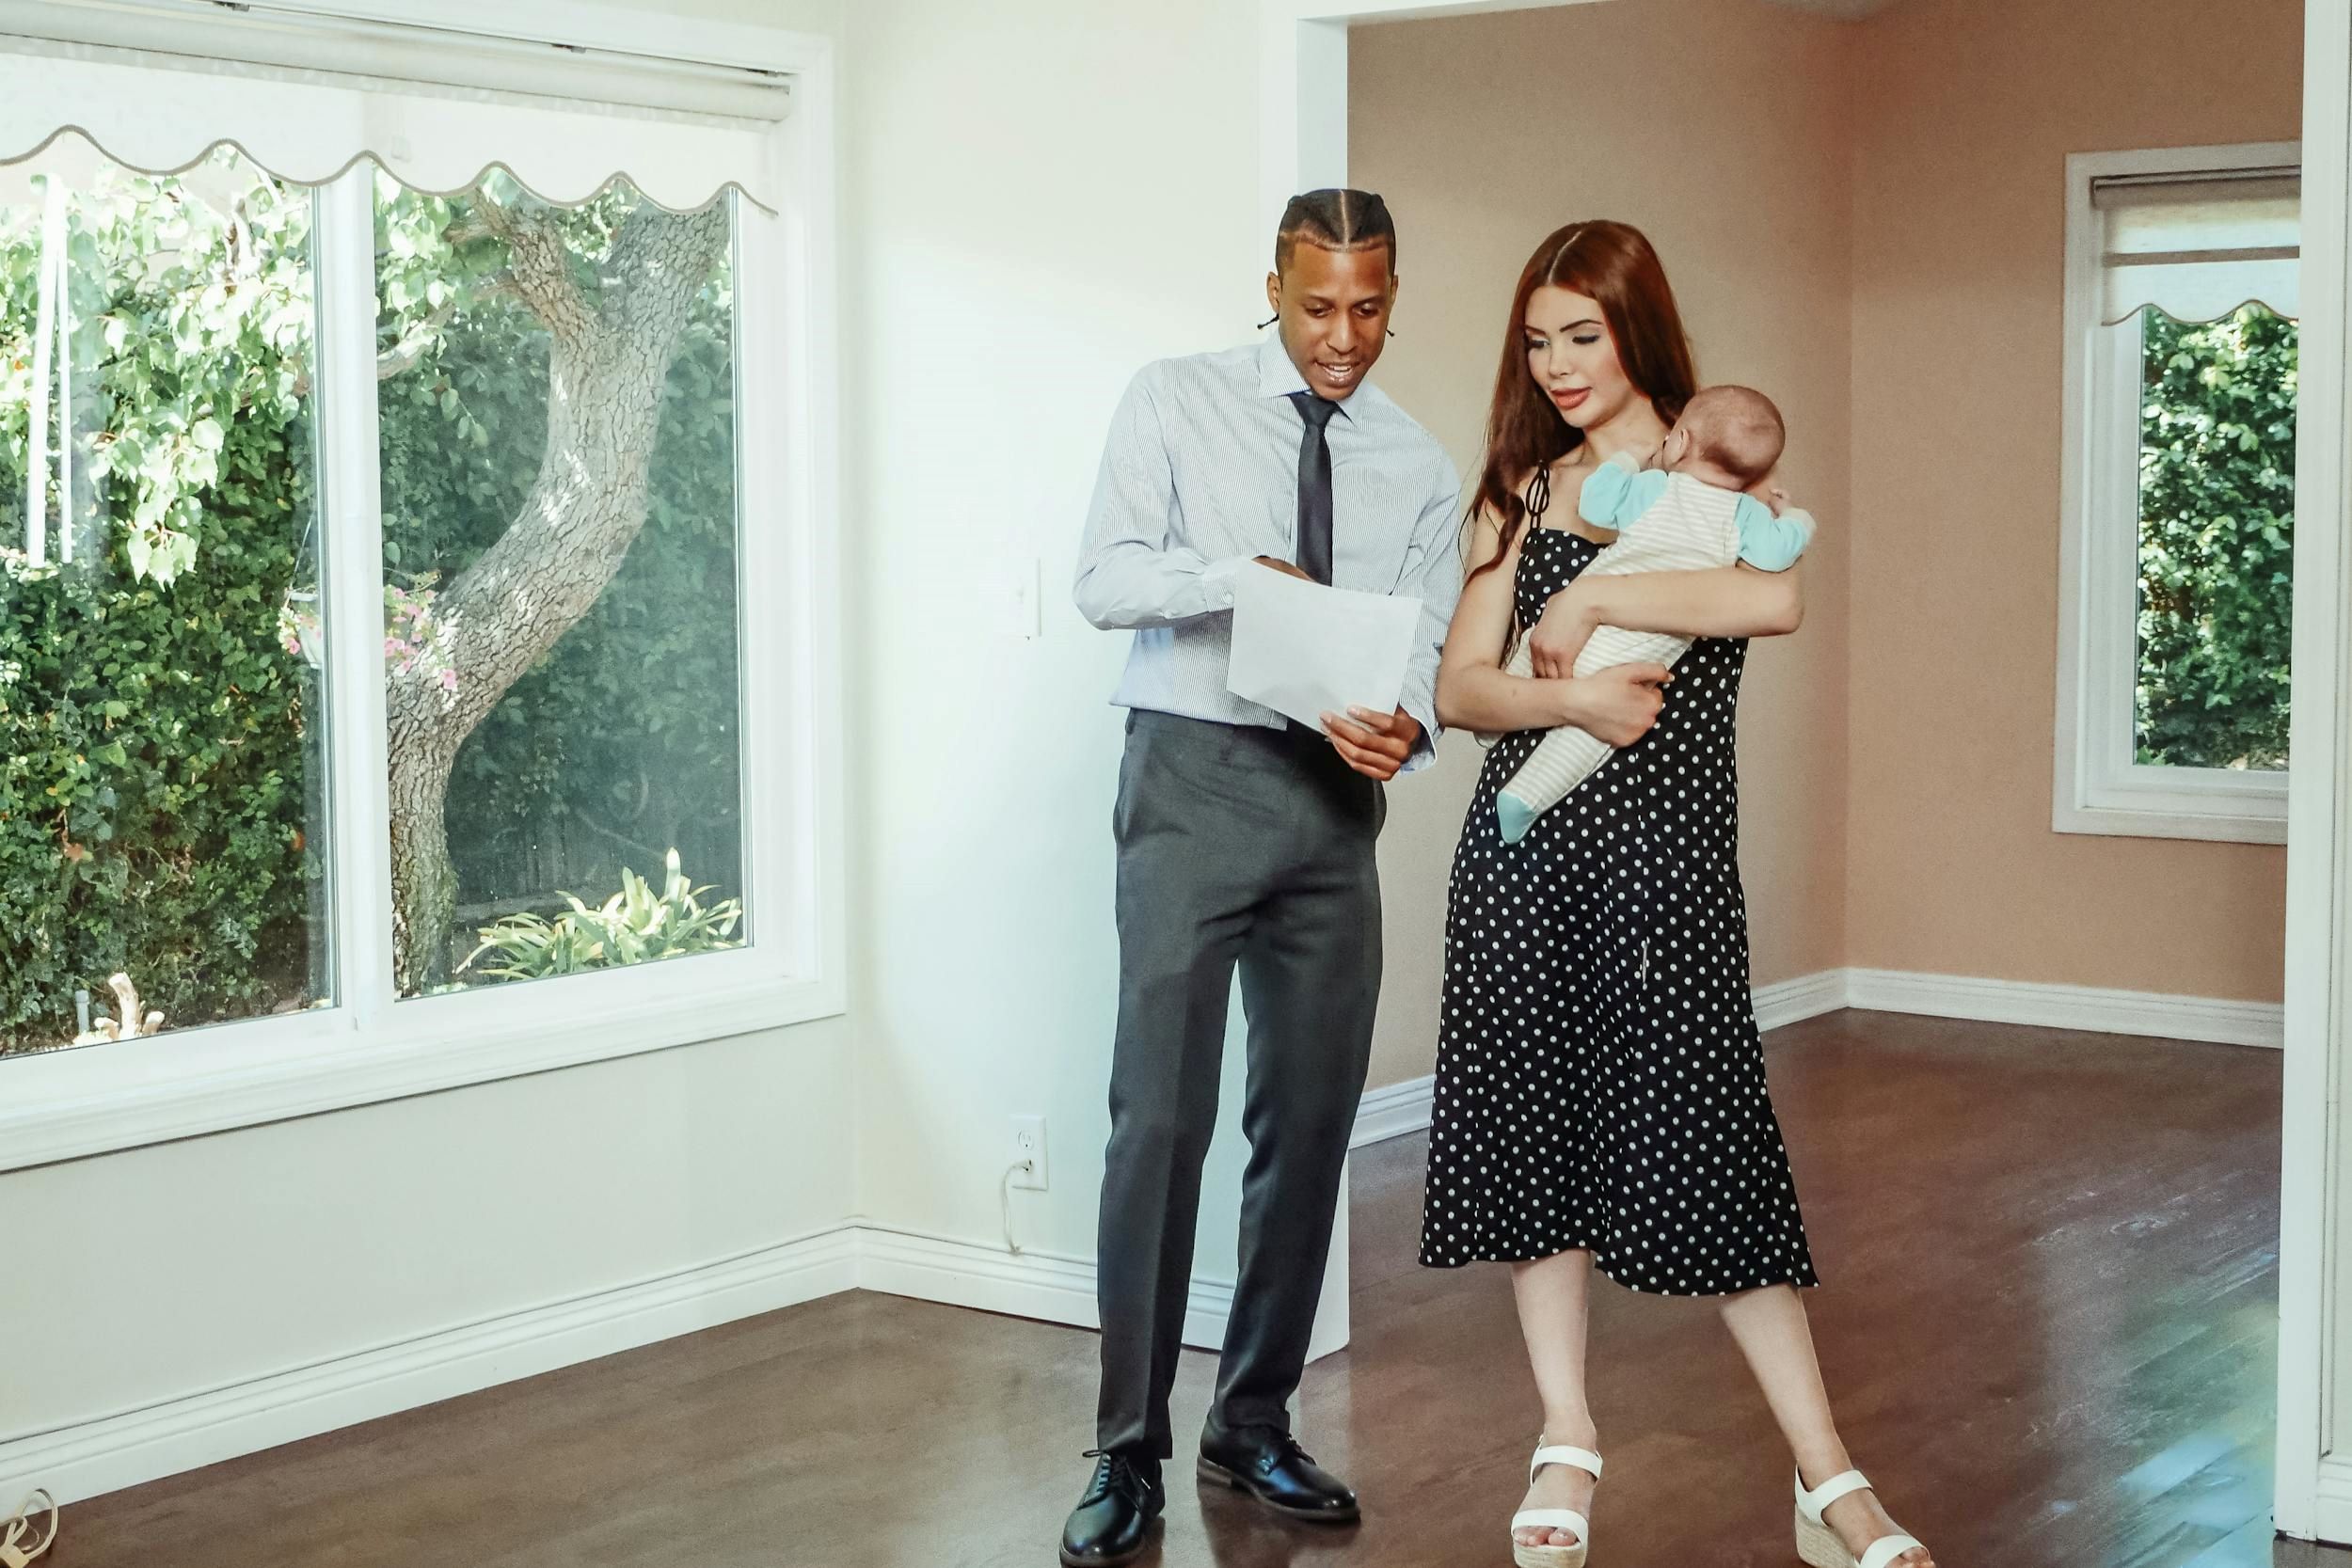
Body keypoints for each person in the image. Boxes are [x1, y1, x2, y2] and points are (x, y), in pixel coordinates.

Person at [1418, 219, 1935, 1568]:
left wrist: (1590, 601)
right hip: (1524, 861)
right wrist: (1571, 690)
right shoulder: (1518, 491)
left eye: (1581, 335)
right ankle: (1567, 1434)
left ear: (1637, 329)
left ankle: (1828, 1480)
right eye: (1536, 341)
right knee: (1536, 1149)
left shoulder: (1709, 471)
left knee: (1713, 1144)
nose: (1556, 364)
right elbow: (1460, 688)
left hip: (1667, 865)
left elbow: (1774, 603)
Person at [1060, 186, 1518, 1568]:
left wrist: (1410, 731)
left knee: (1309, 1120)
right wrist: (1230, 576)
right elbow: (1104, 579)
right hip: (1193, 779)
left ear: (1393, 295)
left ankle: (1250, 1415)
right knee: (1160, 1120)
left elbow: (1431, 651)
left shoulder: (1418, 467)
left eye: (1369, 308)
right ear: (1273, 285)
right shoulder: (1174, 399)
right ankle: (1124, 1447)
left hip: (1330, 811)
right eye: (1317, 306)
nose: (1342, 337)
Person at [1493, 383, 1814, 842]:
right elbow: (1777, 553)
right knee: (1589, 735)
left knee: (1535, 646)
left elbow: (1597, 503)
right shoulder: (1743, 516)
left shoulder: (1658, 489)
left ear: (1680, 441)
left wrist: (1630, 460)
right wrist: (1795, 518)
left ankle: (1499, 717)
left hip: (1581, 626)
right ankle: (1525, 797)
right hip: (1645, 645)